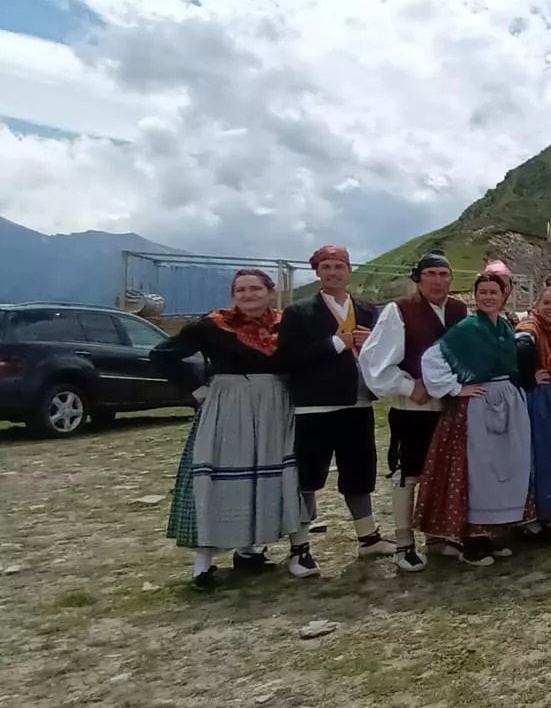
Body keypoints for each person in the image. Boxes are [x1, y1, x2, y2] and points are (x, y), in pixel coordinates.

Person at [153, 269, 300, 591]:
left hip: (272, 409)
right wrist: (195, 387)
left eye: (255, 288)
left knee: (262, 478)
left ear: (270, 292)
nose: (248, 295)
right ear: (233, 295)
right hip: (229, 408)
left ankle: (248, 551)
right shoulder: (213, 325)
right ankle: (203, 563)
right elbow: (162, 355)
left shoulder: (285, 326)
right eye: (241, 290)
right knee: (220, 479)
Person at [275, 245, 390, 578]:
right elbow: (287, 359)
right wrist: (337, 343)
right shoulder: (299, 313)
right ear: (317, 272)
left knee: (360, 472)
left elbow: (385, 352)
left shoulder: (366, 310)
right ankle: (300, 548)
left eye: (339, 266)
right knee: (308, 476)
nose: (333, 272)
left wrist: (371, 344)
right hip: (316, 405)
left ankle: (368, 537)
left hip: (358, 402)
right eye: (326, 267)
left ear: (348, 270)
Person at [413, 267, 533, 566]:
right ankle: (472, 541)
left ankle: (492, 534)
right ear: (475, 296)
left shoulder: (505, 327)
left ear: (503, 296)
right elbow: (433, 357)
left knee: (504, 467)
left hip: (506, 400)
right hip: (477, 405)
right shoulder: (467, 329)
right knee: (477, 471)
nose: (488, 297)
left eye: (494, 292)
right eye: (483, 293)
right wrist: (456, 388)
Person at [357, 252, 469, 572]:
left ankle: (436, 537)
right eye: (431, 274)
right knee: (408, 474)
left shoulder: (459, 310)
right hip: (414, 405)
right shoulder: (400, 310)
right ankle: (404, 544)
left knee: (442, 471)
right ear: (419, 278)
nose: (437, 280)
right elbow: (373, 360)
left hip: (448, 406)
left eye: (443, 274)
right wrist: (408, 386)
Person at [515, 287, 551, 533]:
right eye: (547, 302)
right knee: (541, 452)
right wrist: (528, 375)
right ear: (537, 304)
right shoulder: (531, 326)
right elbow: (521, 344)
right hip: (542, 393)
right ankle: (532, 515)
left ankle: (549, 510)